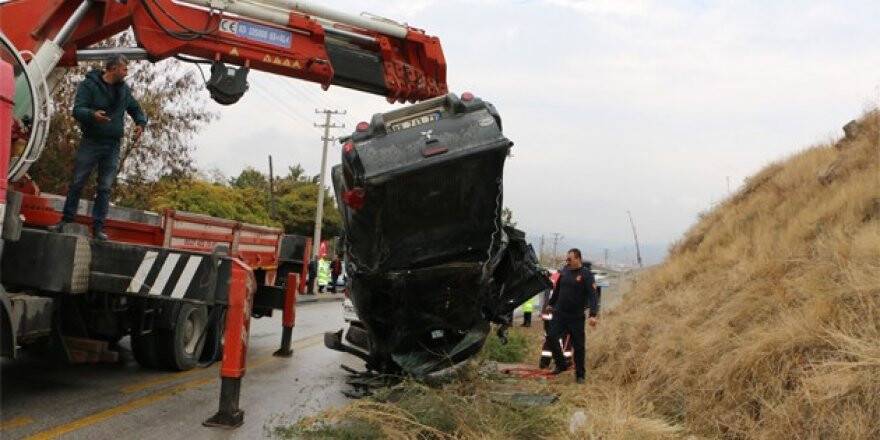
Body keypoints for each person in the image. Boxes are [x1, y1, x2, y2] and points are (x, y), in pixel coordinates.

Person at [52, 54, 147, 240]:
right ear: (112, 68)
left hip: (112, 145)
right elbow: (77, 110)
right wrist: (92, 115)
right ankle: (66, 220)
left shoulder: (124, 91)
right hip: (91, 141)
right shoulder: (89, 85)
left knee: (105, 187)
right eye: (124, 68)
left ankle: (97, 228)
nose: (126, 72)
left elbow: (135, 109)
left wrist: (140, 123)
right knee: (78, 181)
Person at [545, 248, 600, 384]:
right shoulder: (565, 271)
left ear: (578, 258)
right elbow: (557, 289)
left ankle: (580, 375)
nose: (567, 261)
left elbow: (593, 296)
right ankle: (561, 364)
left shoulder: (586, 275)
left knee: (579, 346)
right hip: (560, 314)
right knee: (551, 337)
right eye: (567, 259)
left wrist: (593, 314)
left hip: (576, 317)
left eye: (570, 259)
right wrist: (551, 304)